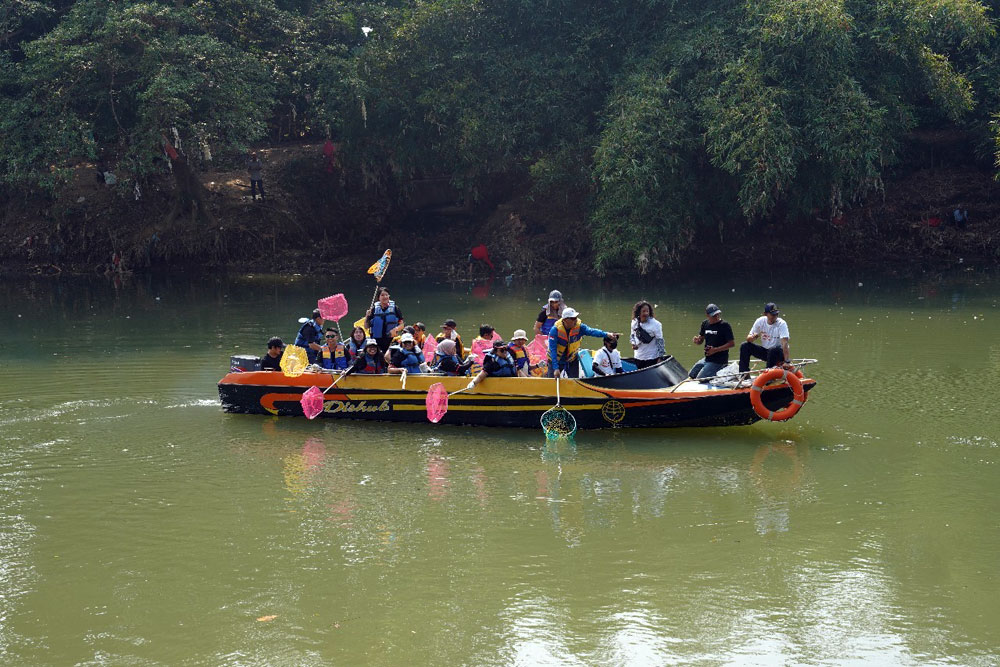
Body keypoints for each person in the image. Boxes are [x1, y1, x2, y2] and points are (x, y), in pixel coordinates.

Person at [547, 307, 619, 378]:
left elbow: (592, 331)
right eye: (573, 318)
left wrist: (606, 334)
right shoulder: (555, 330)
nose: (575, 320)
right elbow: (553, 350)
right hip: (556, 360)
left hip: (572, 359)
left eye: (576, 317)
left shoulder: (580, 327)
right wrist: (556, 368)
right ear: (565, 320)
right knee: (552, 381)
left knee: (574, 382)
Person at [739, 302, 791, 379]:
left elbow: (785, 343)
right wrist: (753, 337)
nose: (775, 316)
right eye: (772, 314)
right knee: (745, 346)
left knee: (772, 350)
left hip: (778, 352)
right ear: (765, 314)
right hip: (766, 352)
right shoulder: (760, 321)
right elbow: (748, 338)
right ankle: (744, 374)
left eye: (776, 314)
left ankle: (768, 377)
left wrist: (787, 361)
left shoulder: (781, 324)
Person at [689, 303, 735, 381]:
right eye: (714, 315)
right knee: (691, 374)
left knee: (700, 379)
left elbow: (731, 344)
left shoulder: (725, 325)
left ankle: (721, 369)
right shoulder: (705, 324)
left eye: (718, 314)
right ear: (707, 315)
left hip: (719, 361)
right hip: (707, 359)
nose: (716, 317)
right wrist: (697, 341)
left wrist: (715, 350)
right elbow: (701, 340)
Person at [366, 288, 404, 353]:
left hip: (391, 340)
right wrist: (367, 316)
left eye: (386, 295)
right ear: (379, 298)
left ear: (389, 296)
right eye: (382, 295)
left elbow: (402, 325)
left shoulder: (395, 308)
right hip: (376, 340)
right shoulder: (374, 309)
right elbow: (366, 326)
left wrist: (396, 329)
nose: (385, 297)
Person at [629, 300, 665, 369]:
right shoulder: (634, 322)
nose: (646, 313)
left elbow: (660, 341)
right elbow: (632, 336)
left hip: (651, 357)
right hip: (638, 356)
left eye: (647, 311)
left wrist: (660, 357)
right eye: (643, 311)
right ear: (638, 312)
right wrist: (633, 344)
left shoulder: (656, 324)